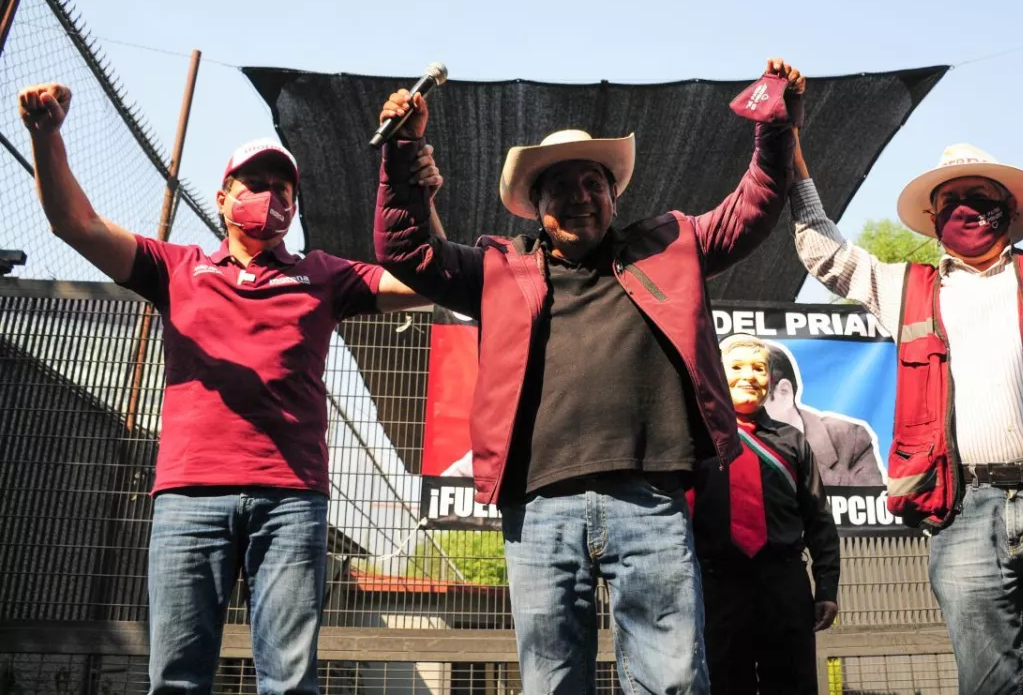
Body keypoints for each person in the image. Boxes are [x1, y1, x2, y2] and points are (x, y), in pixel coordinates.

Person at [372, 59, 804, 694]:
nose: (579, 195)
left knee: (673, 682)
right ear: (536, 205)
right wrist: (401, 152)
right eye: (560, 186)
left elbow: (755, 206)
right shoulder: (498, 267)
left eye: (592, 182)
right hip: (539, 506)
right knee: (552, 683)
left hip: (652, 501)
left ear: (613, 194)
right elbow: (404, 250)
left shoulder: (671, 246)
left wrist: (775, 128)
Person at [18, 82, 442, 694]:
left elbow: (424, 281)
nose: (271, 198)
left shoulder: (322, 274)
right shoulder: (178, 269)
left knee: (290, 683)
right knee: (177, 680)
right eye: (256, 185)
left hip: (292, 499)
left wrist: (416, 186)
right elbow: (76, 224)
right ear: (223, 200)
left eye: (284, 190)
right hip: (190, 498)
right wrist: (46, 135)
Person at [787, 132, 1023, 694]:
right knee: (986, 686)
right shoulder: (904, 287)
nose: (967, 208)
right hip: (963, 511)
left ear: (1010, 209)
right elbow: (826, 255)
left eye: (981, 194)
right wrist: (794, 160)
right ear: (934, 214)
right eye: (952, 199)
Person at [691, 334, 840, 694]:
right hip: (717, 586)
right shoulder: (695, 438)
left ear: (771, 382)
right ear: (714, 373)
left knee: (793, 683)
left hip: (784, 584)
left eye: (759, 368)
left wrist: (827, 588)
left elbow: (818, 517)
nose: (749, 376)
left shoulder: (792, 440)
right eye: (737, 367)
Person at [761, 342, 884, 486]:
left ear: (784, 392)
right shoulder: (733, 446)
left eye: (754, 399)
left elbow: (871, 503)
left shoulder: (850, 438)